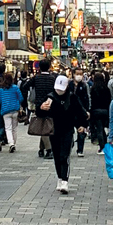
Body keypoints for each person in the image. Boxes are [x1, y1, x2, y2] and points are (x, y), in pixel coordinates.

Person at [27, 58, 87, 195]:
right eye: (57, 89)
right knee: (56, 155)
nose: (59, 91)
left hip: (67, 130)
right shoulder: (50, 97)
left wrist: (81, 125)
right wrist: (41, 108)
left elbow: (79, 113)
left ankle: (65, 180)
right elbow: (40, 113)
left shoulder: (72, 98)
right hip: (53, 130)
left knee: (64, 155)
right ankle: (59, 178)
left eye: (62, 89)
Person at [0, 72, 23, 151]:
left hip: (5, 111)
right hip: (15, 110)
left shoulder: (1, 90)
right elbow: (21, 98)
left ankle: (11, 143)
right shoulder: (15, 88)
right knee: (14, 128)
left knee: (8, 128)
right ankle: (14, 144)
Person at [89, 71, 111, 149]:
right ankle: (105, 144)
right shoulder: (106, 88)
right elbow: (109, 100)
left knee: (99, 129)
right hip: (105, 110)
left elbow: (91, 101)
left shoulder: (93, 89)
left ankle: (102, 146)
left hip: (96, 111)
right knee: (103, 129)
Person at [72, 69, 91, 156]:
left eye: (81, 74)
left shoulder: (84, 85)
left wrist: (87, 110)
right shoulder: (69, 85)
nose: (79, 76)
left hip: (81, 111)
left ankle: (80, 150)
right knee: (69, 130)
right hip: (70, 111)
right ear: (73, 74)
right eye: (77, 74)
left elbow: (87, 98)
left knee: (81, 130)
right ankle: (70, 144)